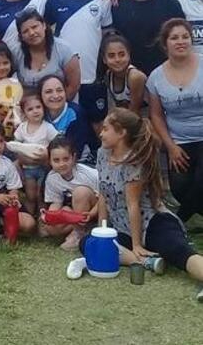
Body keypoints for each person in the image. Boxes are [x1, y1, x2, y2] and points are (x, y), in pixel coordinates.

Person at [73, 108, 203, 303]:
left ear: (121, 132)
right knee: (88, 243)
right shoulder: (102, 153)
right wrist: (102, 230)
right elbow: (104, 194)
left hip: (152, 222)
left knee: (179, 251)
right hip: (121, 227)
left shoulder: (134, 162)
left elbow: (133, 205)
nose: (101, 133)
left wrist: (136, 245)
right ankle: (147, 261)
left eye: (106, 129)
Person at [45, 0, 113, 123]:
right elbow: (45, 34)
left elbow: (108, 35)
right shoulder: (54, 0)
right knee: (68, 126)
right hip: (65, 79)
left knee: (98, 126)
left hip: (94, 77)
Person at [147, 19, 203, 222]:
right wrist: (170, 146)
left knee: (201, 182)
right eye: (174, 38)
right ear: (165, 43)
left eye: (185, 37)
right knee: (179, 189)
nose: (181, 41)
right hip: (180, 141)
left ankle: (179, 219)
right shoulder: (155, 77)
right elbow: (156, 115)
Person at [111, 0, 185, 76]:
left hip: (167, 71)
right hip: (130, 73)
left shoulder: (170, 4)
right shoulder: (118, 6)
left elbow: (183, 39)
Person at [41, 137, 98, 251]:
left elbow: (105, 198)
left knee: (80, 192)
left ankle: (79, 233)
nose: (62, 164)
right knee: (50, 227)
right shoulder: (52, 178)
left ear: (74, 158)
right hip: (75, 213)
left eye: (66, 159)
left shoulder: (90, 174)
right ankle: (86, 229)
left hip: (96, 210)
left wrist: (91, 214)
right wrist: (49, 215)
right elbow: (56, 203)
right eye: (56, 160)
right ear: (50, 161)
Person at [12, 9, 81, 101]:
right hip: (30, 109)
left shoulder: (64, 49)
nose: (32, 33)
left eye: (35, 27)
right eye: (25, 31)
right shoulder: (16, 52)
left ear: (44, 25)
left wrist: (56, 108)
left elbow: (73, 86)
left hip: (62, 105)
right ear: (21, 36)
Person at [12, 91, 59, 216]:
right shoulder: (22, 128)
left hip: (44, 167)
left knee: (41, 194)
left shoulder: (47, 127)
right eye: (30, 109)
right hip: (28, 169)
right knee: (30, 195)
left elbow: (57, 143)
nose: (35, 111)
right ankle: (29, 216)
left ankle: (42, 218)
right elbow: (16, 145)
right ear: (24, 113)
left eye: (38, 107)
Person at [39, 75, 96, 164]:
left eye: (59, 90)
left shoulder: (76, 114)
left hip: (77, 163)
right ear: (40, 95)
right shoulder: (38, 113)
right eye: (48, 92)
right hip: (47, 162)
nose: (55, 95)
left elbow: (75, 151)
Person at [96, 33, 146, 115]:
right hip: (124, 119)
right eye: (111, 56)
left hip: (143, 121)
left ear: (129, 55)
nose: (117, 59)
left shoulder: (135, 77)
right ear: (104, 59)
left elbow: (134, 111)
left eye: (122, 55)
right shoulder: (108, 75)